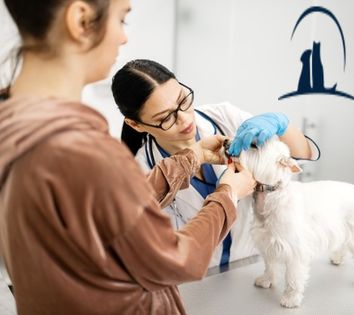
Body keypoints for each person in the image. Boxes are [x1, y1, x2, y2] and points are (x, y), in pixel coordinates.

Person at [0, 0, 255, 314]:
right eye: (122, 19)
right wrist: (228, 194)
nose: (124, 38)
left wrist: (191, 157)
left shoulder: (15, 125)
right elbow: (177, 259)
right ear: (81, 20)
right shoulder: (83, 153)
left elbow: (108, 214)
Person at [111, 59, 321, 267]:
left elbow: (304, 153)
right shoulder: (142, 173)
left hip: (255, 264)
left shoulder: (223, 117)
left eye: (183, 100)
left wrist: (280, 124)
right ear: (135, 125)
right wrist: (230, 193)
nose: (184, 119)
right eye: (166, 118)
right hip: (200, 279)